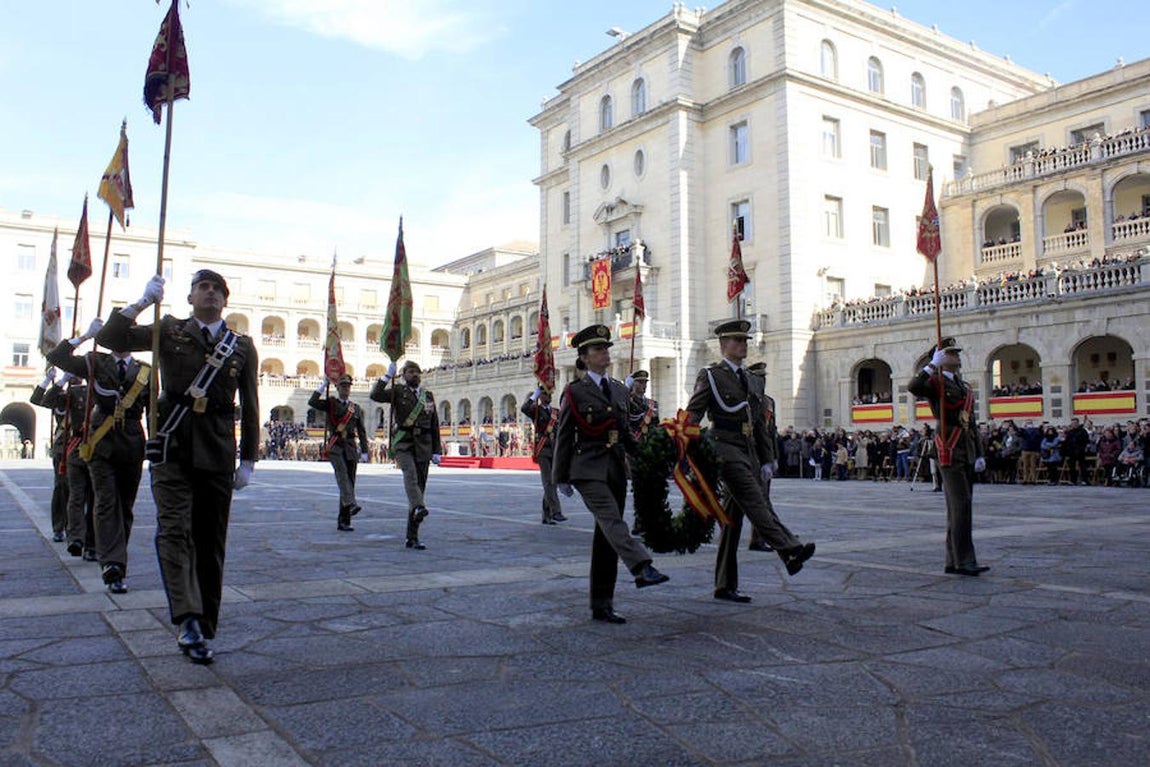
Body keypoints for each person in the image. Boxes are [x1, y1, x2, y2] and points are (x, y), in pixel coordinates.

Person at [97, 270, 259, 665]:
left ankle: (205, 624)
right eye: (203, 287)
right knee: (173, 531)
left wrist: (249, 458)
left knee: (210, 540)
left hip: (218, 449)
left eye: (217, 289)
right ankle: (186, 618)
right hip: (172, 446)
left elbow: (251, 404)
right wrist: (140, 303)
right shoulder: (168, 331)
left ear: (226, 300)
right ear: (190, 298)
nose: (210, 293)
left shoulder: (242, 346)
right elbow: (112, 340)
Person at [686, 320, 816, 603]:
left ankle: (724, 585)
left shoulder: (753, 380)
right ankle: (790, 547)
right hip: (723, 447)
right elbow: (694, 413)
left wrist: (767, 459)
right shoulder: (711, 375)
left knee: (733, 521)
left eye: (744, 340)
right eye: (736, 341)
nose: (742, 345)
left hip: (748, 451)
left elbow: (759, 424)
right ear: (722, 345)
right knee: (757, 501)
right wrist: (685, 445)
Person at [552, 324, 669, 624]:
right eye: (597, 349)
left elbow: (625, 432)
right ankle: (642, 566)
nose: (605, 353)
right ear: (584, 358)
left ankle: (602, 603)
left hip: (616, 467)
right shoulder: (575, 392)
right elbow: (564, 435)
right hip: (587, 468)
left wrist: (646, 456)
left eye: (606, 347)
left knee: (606, 538)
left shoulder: (617, 388)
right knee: (612, 521)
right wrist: (560, 476)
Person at [47, 318, 150, 594]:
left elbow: (153, 412)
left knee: (125, 507)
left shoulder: (146, 371)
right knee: (105, 501)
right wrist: (82, 337)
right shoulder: (95, 362)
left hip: (131, 444)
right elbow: (56, 357)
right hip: (100, 444)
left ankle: (116, 557)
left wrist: (156, 444)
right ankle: (112, 565)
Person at [907, 337, 989, 576]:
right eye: (951, 353)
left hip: (967, 450)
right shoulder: (935, 383)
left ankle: (954, 560)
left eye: (955, 353)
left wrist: (980, 453)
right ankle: (964, 561)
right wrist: (931, 365)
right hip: (949, 449)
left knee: (962, 507)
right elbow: (913, 386)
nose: (957, 356)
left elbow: (971, 423)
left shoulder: (964, 387)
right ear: (942, 358)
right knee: (960, 506)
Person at [370, 360, 442, 550]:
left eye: (417, 372)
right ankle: (419, 507)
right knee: (410, 475)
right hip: (404, 443)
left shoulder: (428, 396)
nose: (415, 375)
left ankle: (413, 536)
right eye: (410, 372)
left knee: (419, 489)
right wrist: (386, 377)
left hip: (424, 446)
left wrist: (437, 450)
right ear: (403, 375)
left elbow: (434, 423)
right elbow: (375, 395)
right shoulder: (398, 391)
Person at [308, 373, 369, 531]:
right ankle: (352, 504)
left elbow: (361, 431)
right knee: (342, 477)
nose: (345, 389)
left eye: (348, 386)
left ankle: (344, 521)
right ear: (337, 388)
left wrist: (364, 450)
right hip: (336, 446)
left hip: (350, 446)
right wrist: (323, 385)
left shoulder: (355, 408)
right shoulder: (331, 403)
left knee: (350, 482)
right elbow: (312, 402)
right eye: (342, 386)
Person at [30, 368, 70, 542]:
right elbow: (38, 399)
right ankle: (59, 527)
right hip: (63, 449)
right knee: (61, 488)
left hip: (84, 447)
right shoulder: (60, 397)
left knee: (82, 491)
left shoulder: (87, 392)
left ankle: (76, 529)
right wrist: (52, 380)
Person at [521, 387, 566, 525]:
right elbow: (524, 408)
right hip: (543, 449)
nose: (549, 396)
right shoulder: (535, 410)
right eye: (545, 394)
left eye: (550, 394)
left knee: (552, 481)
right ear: (541, 396)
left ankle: (546, 516)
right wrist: (534, 395)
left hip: (554, 449)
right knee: (548, 481)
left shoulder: (555, 412)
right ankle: (556, 511)